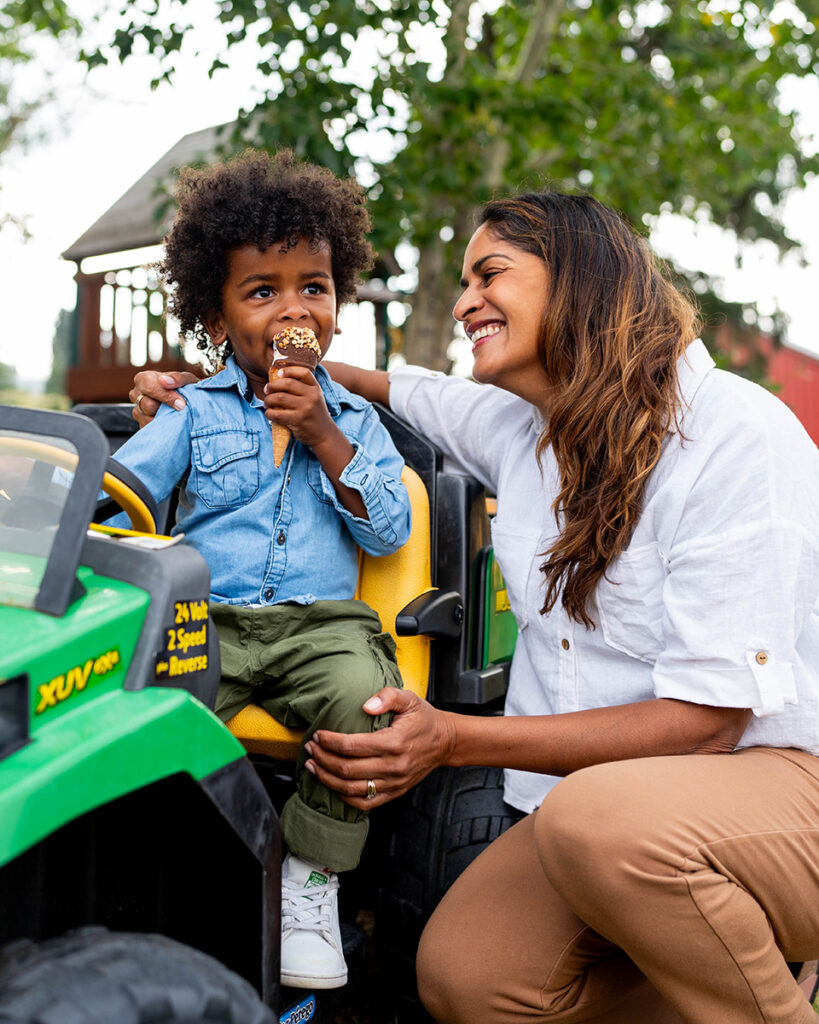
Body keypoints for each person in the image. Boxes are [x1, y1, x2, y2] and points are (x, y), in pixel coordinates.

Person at [130, 190, 819, 1024]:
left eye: (489, 274)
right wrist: (219, 383)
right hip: (604, 813)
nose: (462, 303)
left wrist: (452, 738)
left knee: (597, 822)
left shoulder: (735, 434)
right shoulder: (518, 426)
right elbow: (388, 383)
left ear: (581, 281)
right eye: (461, 283)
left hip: (773, 781)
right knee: (471, 977)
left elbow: (708, 722)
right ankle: (708, 970)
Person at [116, 149, 411, 991]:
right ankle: (164, 870)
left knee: (366, 704)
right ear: (217, 318)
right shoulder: (189, 409)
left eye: (312, 287)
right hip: (202, 618)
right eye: (262, 291)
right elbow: (123, 489)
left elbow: (388, 532)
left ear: (338, 307)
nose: (293, 308)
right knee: (133, 706)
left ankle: (310, 883)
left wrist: (325, 435)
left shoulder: (360, 423)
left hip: (322, 626)